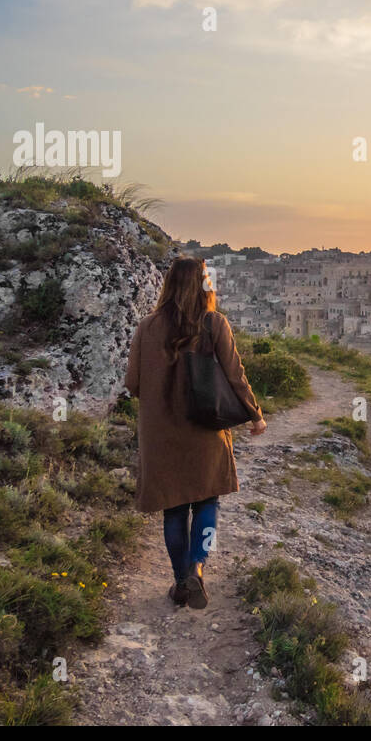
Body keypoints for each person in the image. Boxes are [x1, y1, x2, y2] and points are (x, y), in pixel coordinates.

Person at [123, 257, 267, 609]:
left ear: (169, 285)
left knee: (173, 510)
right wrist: (255, 416)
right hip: (205, 428)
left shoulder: (147, 326)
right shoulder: (214, 323)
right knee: (207, 500)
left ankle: (179, 582)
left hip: (162, 434)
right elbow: (235, 375)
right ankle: (197, 568)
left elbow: (132, 384)